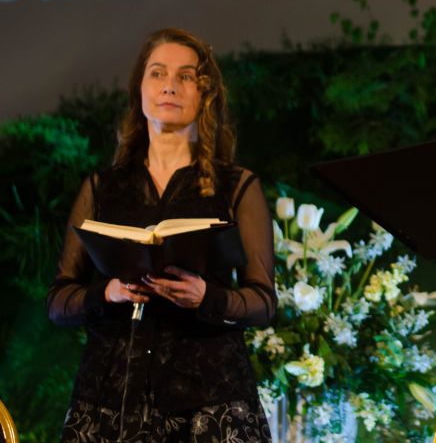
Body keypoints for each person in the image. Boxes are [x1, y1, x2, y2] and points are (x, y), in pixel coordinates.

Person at [47, 28, 276, 442]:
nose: (170, 85)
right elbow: (59, 302)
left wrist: (207, 297)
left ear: (205, 94)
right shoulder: (102, 188)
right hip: (111, 400)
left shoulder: (236, 186)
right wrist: (109, 292)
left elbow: (263, 302)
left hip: (210, 400)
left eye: (186, 76)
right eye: (157, 73)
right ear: (140, 88)